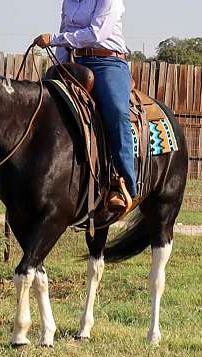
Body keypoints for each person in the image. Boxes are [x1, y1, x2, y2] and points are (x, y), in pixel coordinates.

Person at [35, 0, 137, 212]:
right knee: (40, 102)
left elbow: (96, 33)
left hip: (107, 62)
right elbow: (66, 36)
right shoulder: (69, 2)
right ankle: (28, 175)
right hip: (74, 61)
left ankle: (124, 183)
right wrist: (57, 69)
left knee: (117, 113)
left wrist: (54, 39)